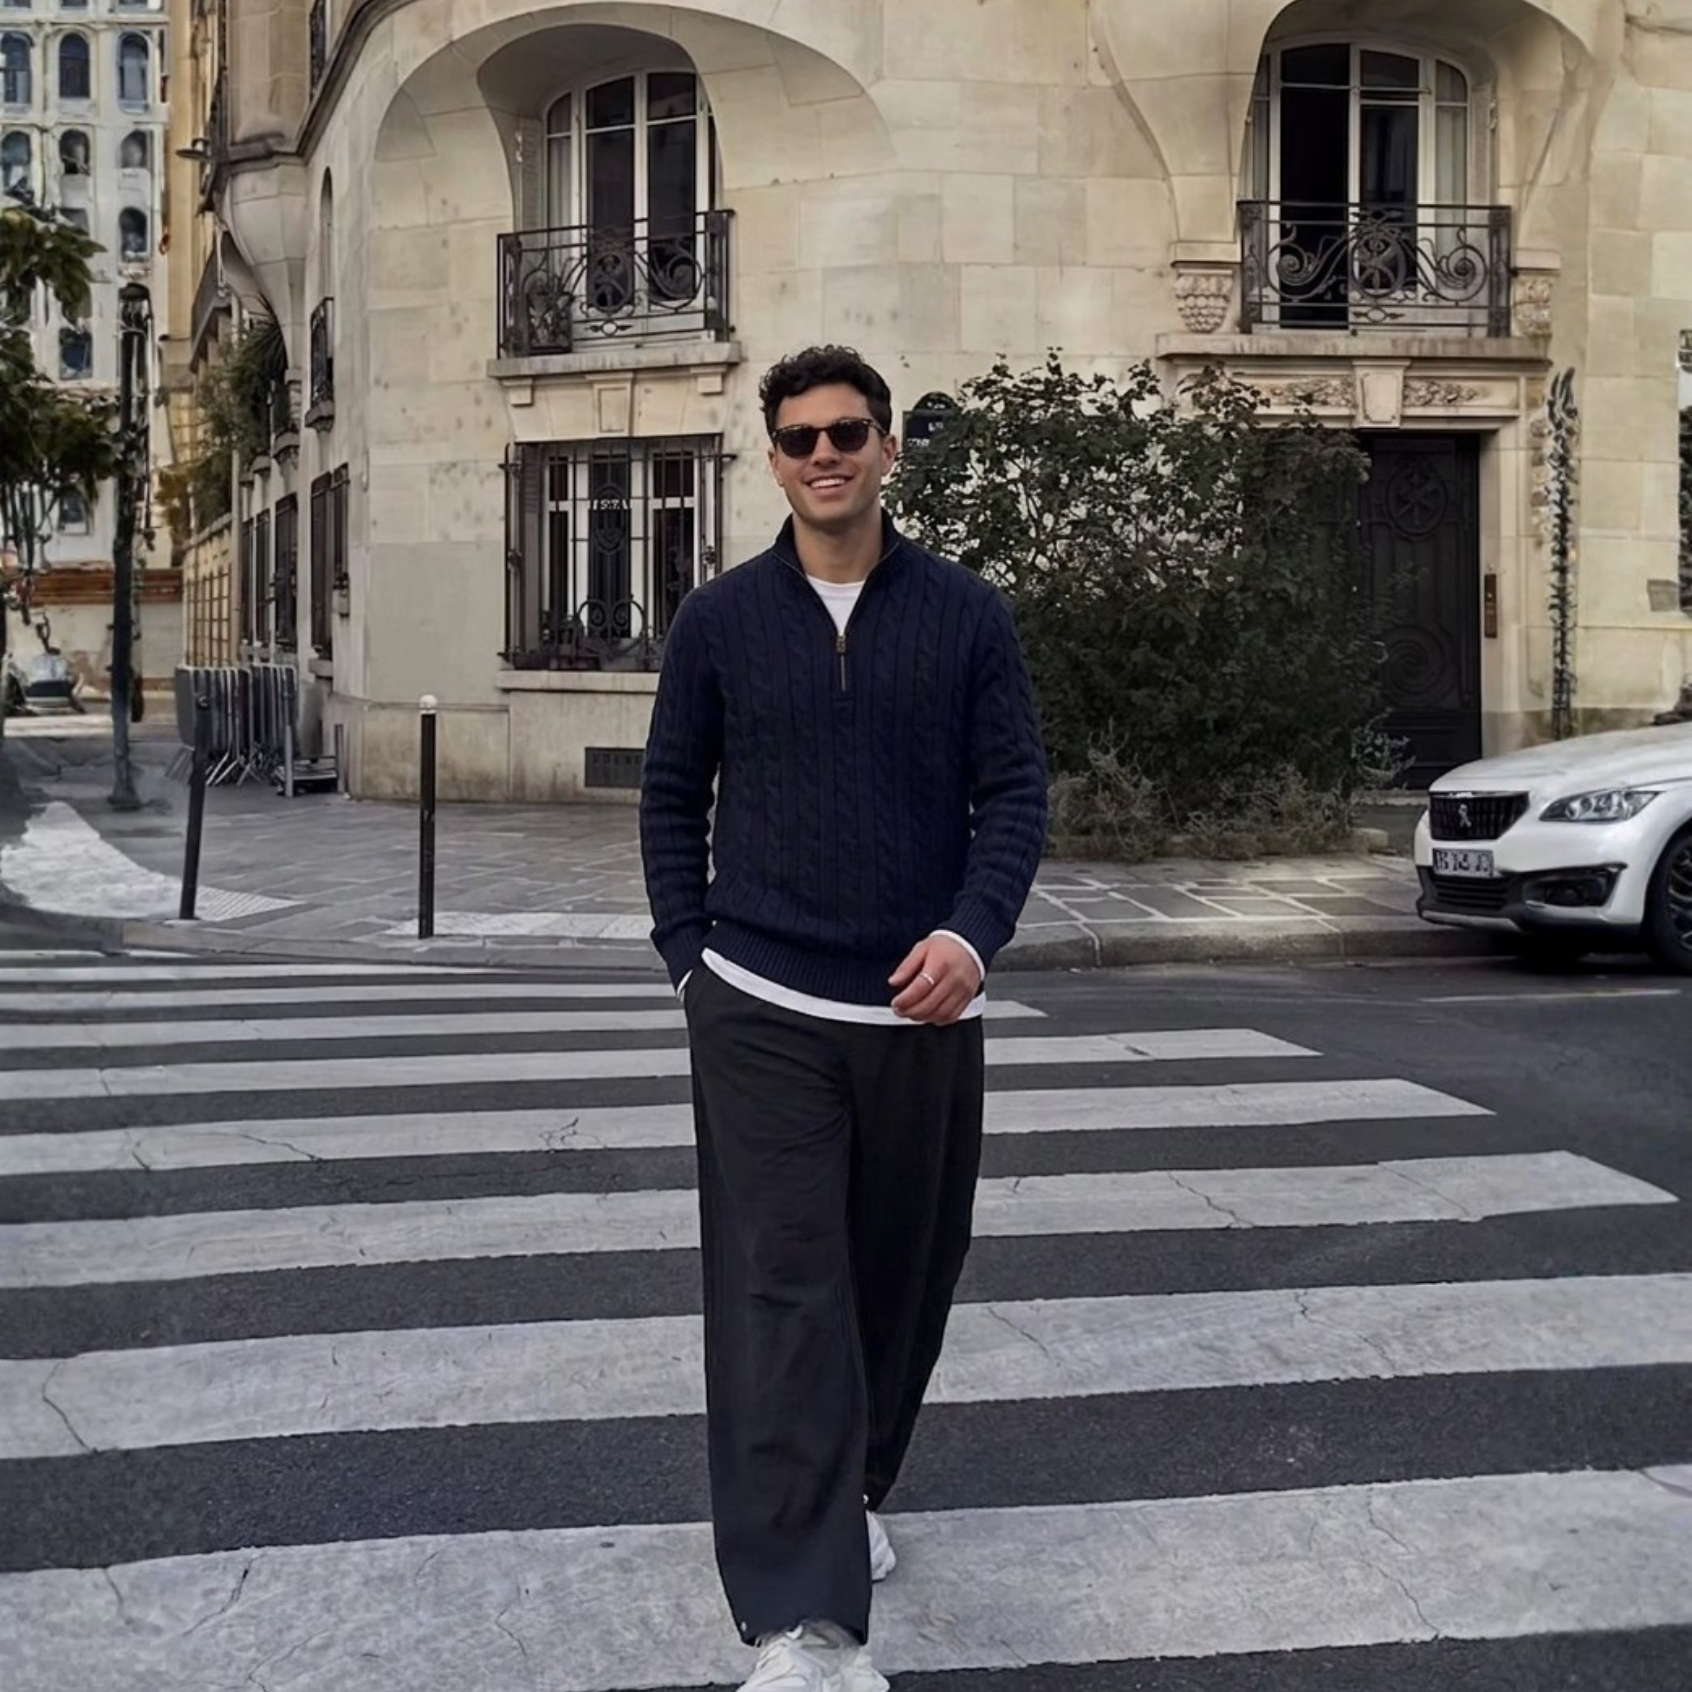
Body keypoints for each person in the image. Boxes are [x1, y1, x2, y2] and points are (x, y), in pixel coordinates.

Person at [640, 346, 1048, 1692]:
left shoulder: (967, 616)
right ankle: (804, 1621)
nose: (826, 454)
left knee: (900, 1280)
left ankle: (850, 1491)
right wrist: (691, 956)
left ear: (886, 449)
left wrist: (970, 938)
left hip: (916, 1008)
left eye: (849, 432)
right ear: (772, 458)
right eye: (801, 436)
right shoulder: (719, 621)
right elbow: (668, 795)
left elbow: (1014, 801)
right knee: (788, 1297)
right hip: (759, 1007)